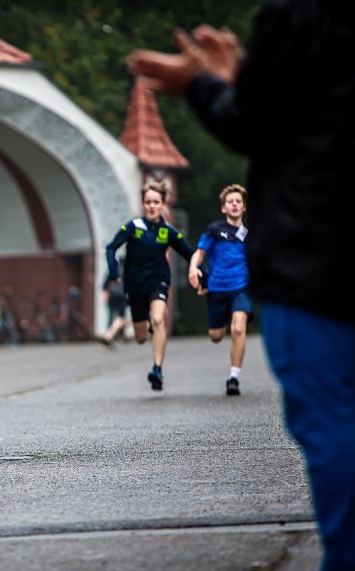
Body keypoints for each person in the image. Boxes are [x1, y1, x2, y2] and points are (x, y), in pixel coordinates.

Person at [128, 3, 355, 568]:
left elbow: (256, 121)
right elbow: (191, 245)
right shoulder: (192, 227)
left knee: (334, 424)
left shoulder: (303, 16)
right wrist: (196, 263)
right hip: (300, 264)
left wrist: (209, 84)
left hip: (319, 260)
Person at [104, 180, 194, 391]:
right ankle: (145, 327)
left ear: (163, 204)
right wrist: (113, 271)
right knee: (141, 336)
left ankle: (157, 369)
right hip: (135, 286)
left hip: (158, 281)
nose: (152, 206)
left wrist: (201, 272)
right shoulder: (133, 227)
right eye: (148, 202)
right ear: (143, 204)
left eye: (156, 202)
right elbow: (111, 248)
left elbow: (190, 254)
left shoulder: (168, 231)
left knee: (158, 318)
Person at [188, 184, 252, 396]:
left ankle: (233, 377)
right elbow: (200, 252)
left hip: (240, 288)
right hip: (217, 289)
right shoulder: (214, 230)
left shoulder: (249, 234)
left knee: (238, 329)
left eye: (238, 202)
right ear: (223, 208)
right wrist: (193, 267)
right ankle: (223, 321)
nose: (234, 205)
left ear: (244, 207)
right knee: (216, 336)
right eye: (230, 202)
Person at [98, 257, 130, 347]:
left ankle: (109, 333)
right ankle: (117, 335)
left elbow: (106, 283)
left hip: (112, 295)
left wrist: (105, 293)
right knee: (121, 316)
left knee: (111, 315)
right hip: (122, 296)